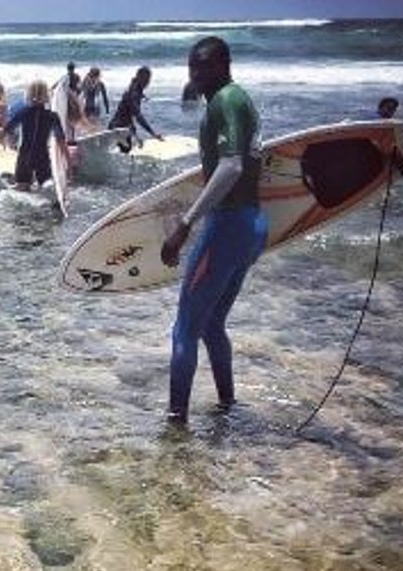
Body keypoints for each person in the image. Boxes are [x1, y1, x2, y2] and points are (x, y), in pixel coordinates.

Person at [159, 37, 267, 427]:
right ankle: (227, 405)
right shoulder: (235, 101)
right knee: (212, 323)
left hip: (228, 226)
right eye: (192, 67)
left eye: (204, 66)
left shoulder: (226, 100)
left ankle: (175, 423)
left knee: (185, 327)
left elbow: (232, 167)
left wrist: (184, 225)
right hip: (251, 225)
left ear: (225, 64)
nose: (197, 74)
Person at [2, 80, 70, 192]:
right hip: (42, 156)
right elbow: (61, 141)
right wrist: (68, 162)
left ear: (28, 94)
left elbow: (6, 130)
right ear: (47, 96)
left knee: (22, 189)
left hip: (25, 155)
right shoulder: (52, 116)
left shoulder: (23, 112)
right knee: (45, 187)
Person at [109, 66, 164, 153]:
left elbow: (129, 115)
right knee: (124, 153)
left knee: (125, 154)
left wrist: (136, 136)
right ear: (139, 78)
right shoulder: (134, 92)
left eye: (149, 79)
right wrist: (153, 133)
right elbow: (138, 116)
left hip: (122, 127)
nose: (148, 82)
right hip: (119, 128)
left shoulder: (136, 88)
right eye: (146, 79)